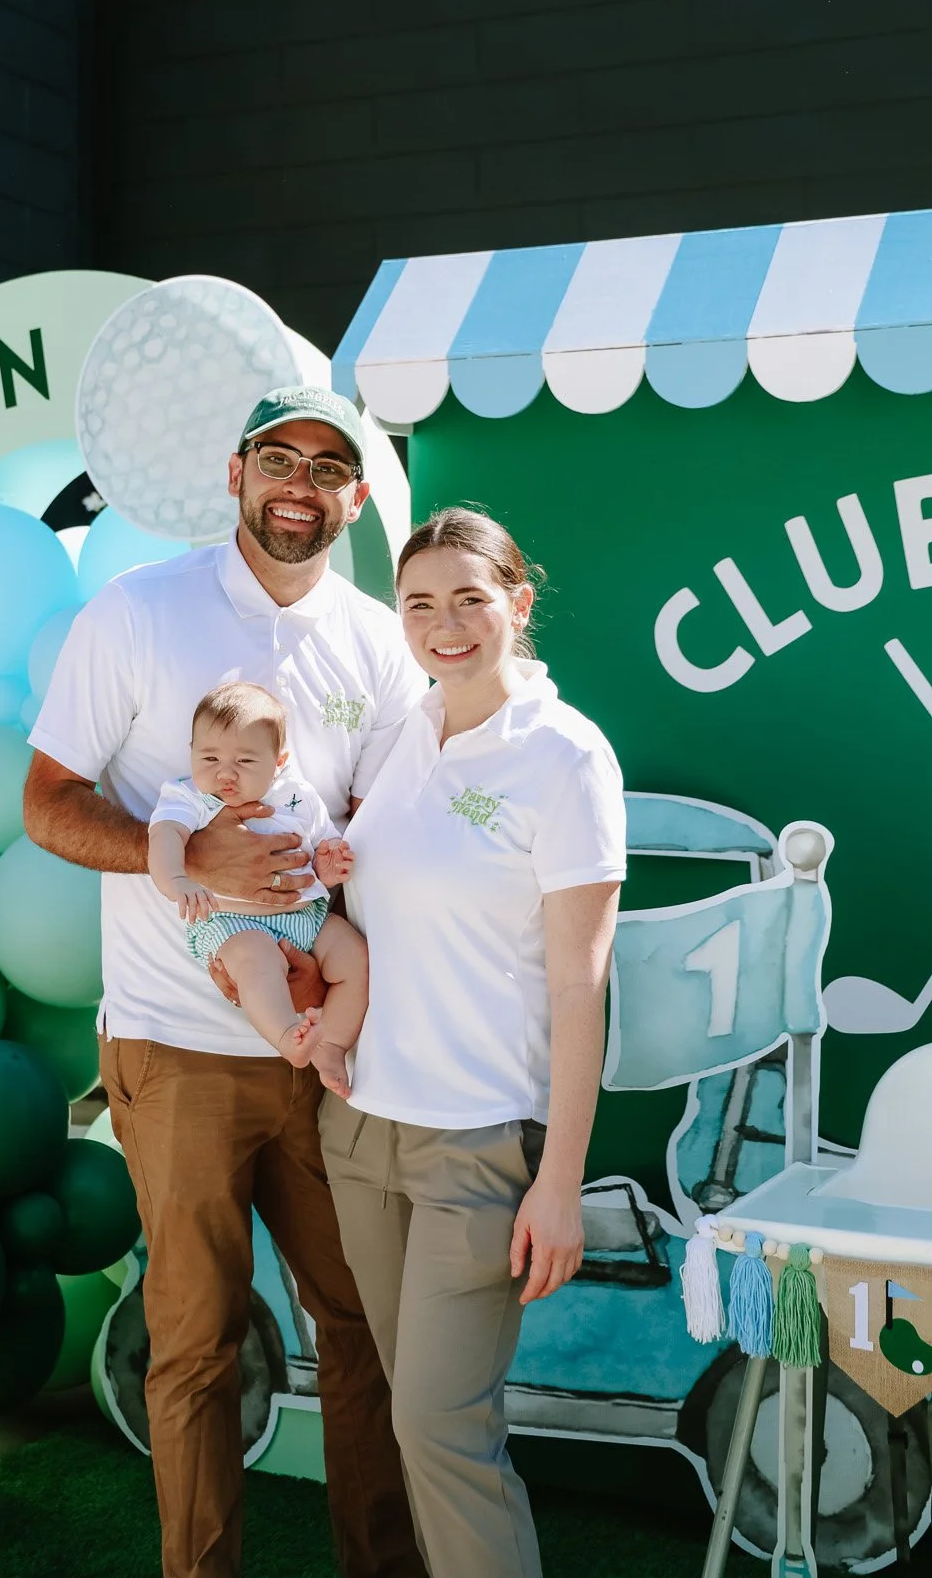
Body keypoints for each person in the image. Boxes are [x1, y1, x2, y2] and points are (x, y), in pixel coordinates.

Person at [24, 383, 428, 1578]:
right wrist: (186, 851)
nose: (300, 483)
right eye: (279, 457)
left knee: (362, 1330)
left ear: (357, 493)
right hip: (177, 1041)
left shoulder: (374, 638)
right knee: (197, 1341)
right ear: (237, 470)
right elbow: (47, 803)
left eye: (329, 465)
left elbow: (390, 825)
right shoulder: (138, 610)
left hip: (331, 1046)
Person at [320, 505, 625, 1578]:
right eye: (420, 603)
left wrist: (561, 1181)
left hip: (477, 1151)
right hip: (360, 1130)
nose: (444, 624)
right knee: (415, 1412)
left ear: (517, 603)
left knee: (442, 1431)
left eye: (469, 598)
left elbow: (580, 985)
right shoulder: (406, 733)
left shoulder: (565, 755)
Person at [148, 679, 365, 1093]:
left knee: (356, 956)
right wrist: (175, 879)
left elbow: (320, 844)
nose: (224, 773)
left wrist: (330, 861)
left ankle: (332, 1044)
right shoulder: (191, 796)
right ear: (191, 752)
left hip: (307, 915)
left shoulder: (298, 795)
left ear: (279, 761)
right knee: (257, 963)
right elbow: (164, 837)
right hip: (233, 922)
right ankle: (287, 1035)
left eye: (245, 761)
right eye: (208, 756)